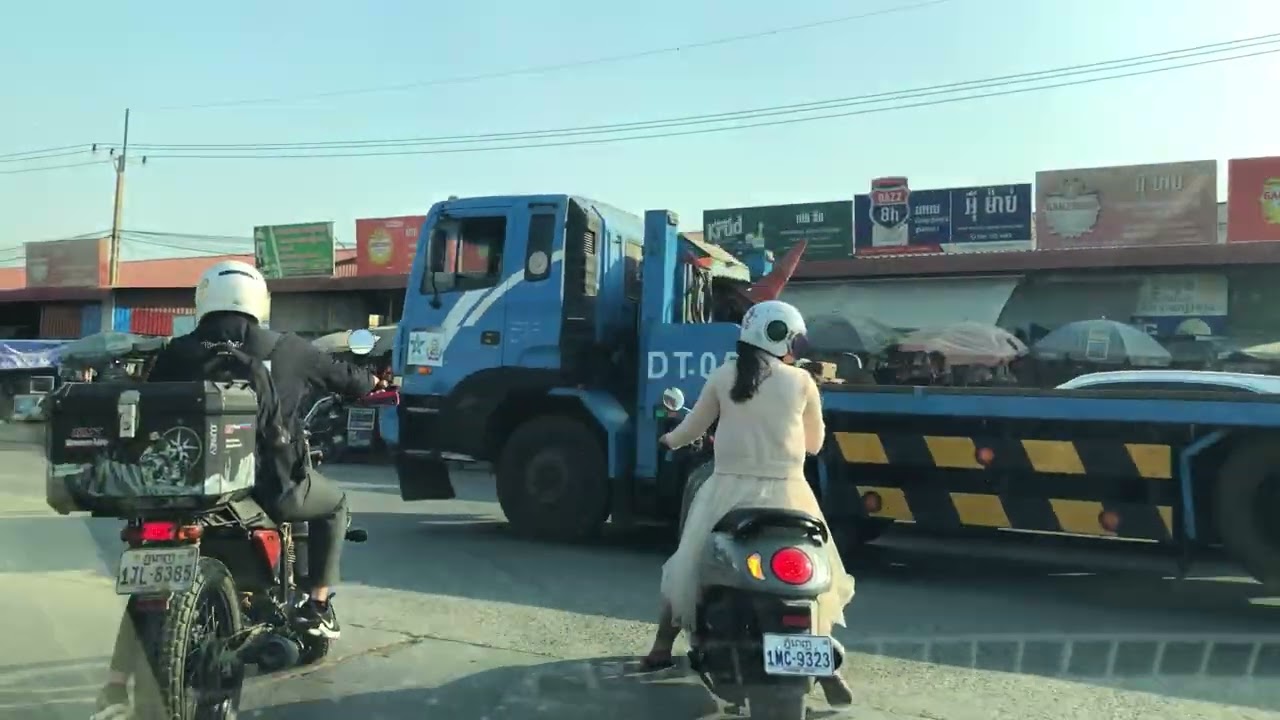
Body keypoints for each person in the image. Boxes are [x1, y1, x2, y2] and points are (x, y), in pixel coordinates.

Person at [93, 260, 381, 718]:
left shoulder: (175, 352)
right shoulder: (290, 349)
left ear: (203, 299)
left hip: (183, 488)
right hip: (272, 489)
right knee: (334, 504)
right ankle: (317, 605)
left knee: (152, 576)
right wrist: (374, 380)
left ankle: (112, 686)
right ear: (259, 302)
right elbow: (353, 382)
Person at [638, 300, 857, 708]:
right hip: (791, 497)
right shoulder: (802, 382)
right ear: (781, 338)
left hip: (727, 496)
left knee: (684, 568)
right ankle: (827, 664)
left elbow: (691, 429)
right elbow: (814, 445)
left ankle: (661, 649)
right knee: (815, 583)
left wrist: (668, 440)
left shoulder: (724, 376)